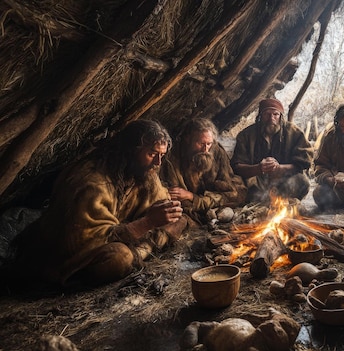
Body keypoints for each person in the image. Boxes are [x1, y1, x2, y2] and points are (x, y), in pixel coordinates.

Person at [11, 120, 188, 288]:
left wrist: (168, 211)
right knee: (120, 258)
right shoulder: (91, 181)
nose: (158, 162)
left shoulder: (144, 171)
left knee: (179, 221)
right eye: (152, 154)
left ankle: (142, 251)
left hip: (124, 235)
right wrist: (148, 223)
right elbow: (86, 240)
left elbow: (160, 200)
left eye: (162, 156)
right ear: (131, 150)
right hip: (67, 255)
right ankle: (140, 252)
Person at [160, 118, 246, 224]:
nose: (205, 149)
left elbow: (233, 193)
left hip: (204, 201)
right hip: (189, 210)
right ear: (188, 139)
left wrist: (193, 198)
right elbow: (177, 198)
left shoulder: (217, 151)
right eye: (201, 143)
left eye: (209, 144)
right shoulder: (172, 159)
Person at [231, 98, 313, 203]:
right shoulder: (246, 135)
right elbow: (236, 167)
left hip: (283, 181)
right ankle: (265, 201)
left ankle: (278, 201)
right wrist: (259, 168)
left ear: (281, 116)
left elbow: (305, 162)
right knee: (236, 185)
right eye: (267, 114)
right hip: (256, 181)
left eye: (275, 114)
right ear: (260, 116)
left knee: (302, 182)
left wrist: (280, 169)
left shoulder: (294, 132)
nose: (271, 118)